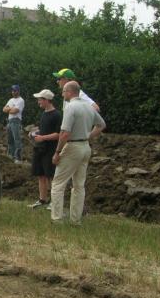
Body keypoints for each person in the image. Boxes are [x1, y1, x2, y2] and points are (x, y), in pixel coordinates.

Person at [50, 81, 106, 224]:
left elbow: (64, 133)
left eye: (63, 91)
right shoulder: (88, 107)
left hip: (73, 147)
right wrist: (88, 135)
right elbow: (101, 125)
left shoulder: (70, 107)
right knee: (79, 185)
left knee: (58, 183)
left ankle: (56, 218)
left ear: (69, 92)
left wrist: (57, 152)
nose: (62, 94)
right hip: (85, 147)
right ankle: (75, 220)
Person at [28, 89, 62, 209]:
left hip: (50, 149)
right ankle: (42, 200)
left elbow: (58, 134)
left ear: (47, 100)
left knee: (50, 176)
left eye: (40, 99)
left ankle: (54, 202)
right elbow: (44, 130)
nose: (38, 102)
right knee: (40, 174)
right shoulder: (43, 114)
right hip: (40, 149)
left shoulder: (57, 115)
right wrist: (35, 132)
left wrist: (42, 137)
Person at [3, 84, 25, 163]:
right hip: (9, 121)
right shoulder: (11, 100)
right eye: (12, 91)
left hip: (16, 121)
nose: (13, 92)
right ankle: (10, 155)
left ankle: (18, 158)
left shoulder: (21, 100)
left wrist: (9, 109)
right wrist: (11, 109)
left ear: (18, 91)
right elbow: (4, 109)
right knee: (10, 140)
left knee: (17, 139)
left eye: (15, 90)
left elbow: (14, 111)